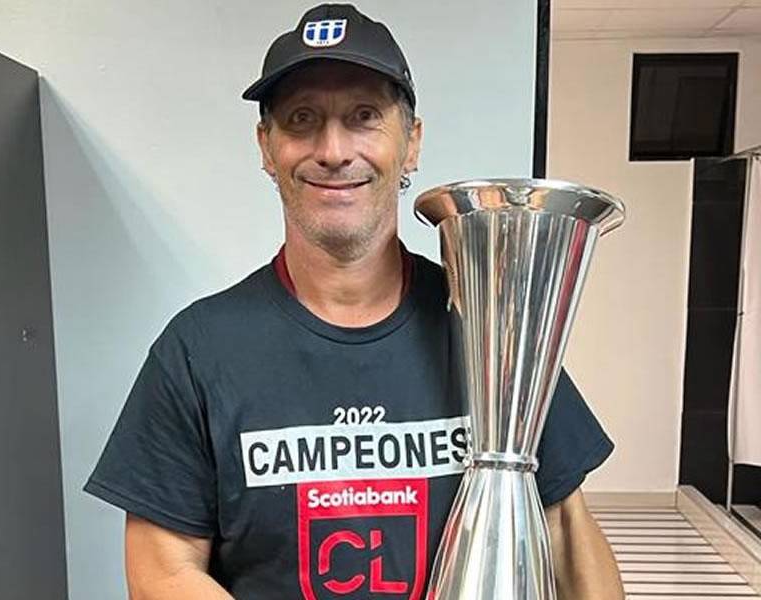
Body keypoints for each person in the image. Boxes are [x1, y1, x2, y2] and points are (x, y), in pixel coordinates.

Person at [85, 4, 624, 599]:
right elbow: (163, 570)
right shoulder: (197, 350)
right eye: (302, 119)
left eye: (364, 116)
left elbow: (566, 530)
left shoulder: (494, 331)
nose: (334, 149)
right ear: (266, 147)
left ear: (411, 143)